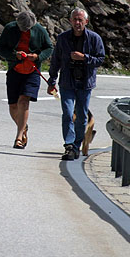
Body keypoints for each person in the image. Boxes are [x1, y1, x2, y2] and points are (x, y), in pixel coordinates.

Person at [47, 8, 105, 161]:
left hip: (85, 83)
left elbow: (100, 59)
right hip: (67, 82)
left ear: (86, 21)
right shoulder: (63, 38)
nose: (77, 23)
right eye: (75, 19)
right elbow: (55, 61)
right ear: (70, 21)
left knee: (81, 116)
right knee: (67, 113)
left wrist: (84, 58)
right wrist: (52, 81)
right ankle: (69, 145)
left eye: (80, 20)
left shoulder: (94, 38)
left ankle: (77, 145)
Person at [0, 10, 53, 149]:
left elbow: (49, 48)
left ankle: (19, 137)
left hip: (32, 71)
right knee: (13, 106)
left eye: (28, 28)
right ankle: (23, 127)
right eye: (23, 28)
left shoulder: (39, 30)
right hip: (15, 70)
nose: (26, 30)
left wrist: (37, 57)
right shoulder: (10, 29)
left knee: (23, 101)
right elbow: (0, 49)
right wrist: (15, 55)